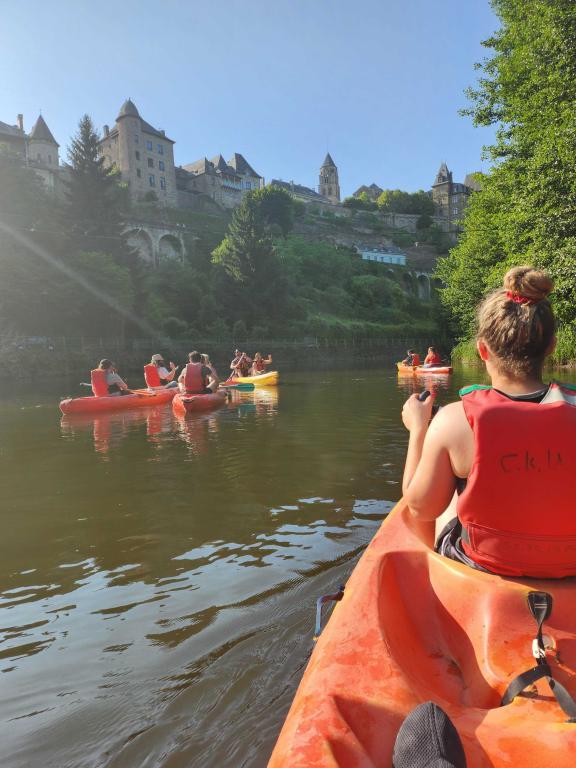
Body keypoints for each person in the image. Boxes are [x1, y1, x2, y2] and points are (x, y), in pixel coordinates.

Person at [401, 266, 576, 579]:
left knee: (448, 495)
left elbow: (421, 509)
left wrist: (419, 430)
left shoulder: (456, 419)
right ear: (551, 347)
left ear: (483, 350)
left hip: (484, 569)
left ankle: (427, 585)